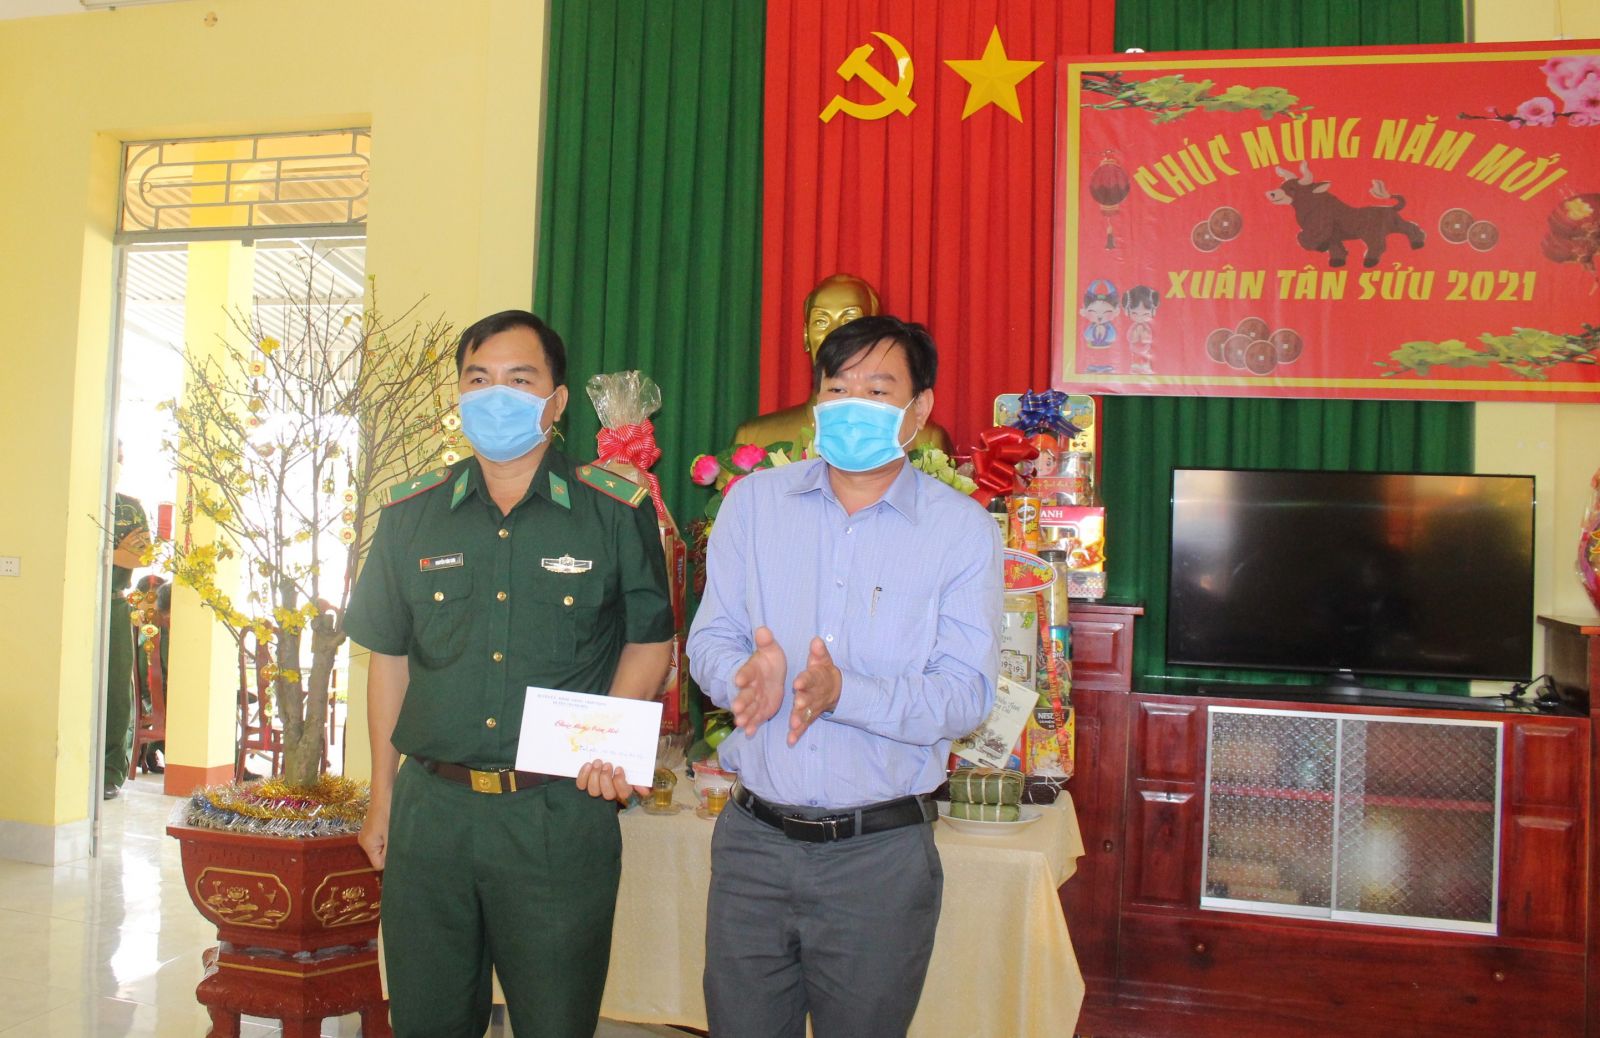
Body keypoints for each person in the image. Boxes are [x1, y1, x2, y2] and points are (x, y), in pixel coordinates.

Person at [345, 310, 675, 1038]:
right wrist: (382, 798)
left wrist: (606, 742)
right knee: (427, 1023)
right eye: (479, 379)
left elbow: (650, 643)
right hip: (432, 814)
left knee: (556, 1023)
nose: (496, 396)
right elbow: (388, 660)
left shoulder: (612, 510)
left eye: (519, 380)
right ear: (459, 395)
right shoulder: (410, 514)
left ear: (556, 402)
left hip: (557, 815)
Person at [688, 314, 1002, 1037]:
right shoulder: (753, 505)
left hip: (879, 860)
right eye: (838, 388)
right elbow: (709, 639)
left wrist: (842, 693)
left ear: (919, 410)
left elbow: (966, 694)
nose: (853, 403)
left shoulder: (961, 531)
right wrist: (743, 676)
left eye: (878, 390)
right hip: (754, 846)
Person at [732, 273, 953, 453]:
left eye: (849, 320)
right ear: (806, 336)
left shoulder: (923, 439)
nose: (834, 334)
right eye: (821, 321)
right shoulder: (754, 438)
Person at [104, 443, 150, 800]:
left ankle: (110, 773)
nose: (115, 463)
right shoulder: (76, 499)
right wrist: (117, 551)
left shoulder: (130, 507)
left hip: (116, 605)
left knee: (117, 691)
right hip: (75, 604)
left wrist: (107, 553)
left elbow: (143, 556)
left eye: (119, 457)